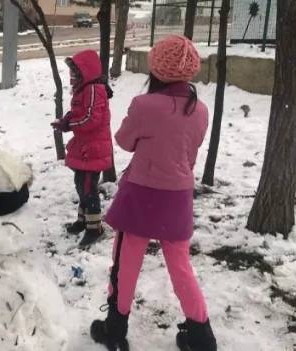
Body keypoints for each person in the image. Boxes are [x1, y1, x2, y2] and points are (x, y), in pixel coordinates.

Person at [89, 35, 216, 351]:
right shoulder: (199, 110)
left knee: (125, 263)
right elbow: (190, 150)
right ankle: (201, 336)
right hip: (178, 197)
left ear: (156, 69)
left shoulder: (144, 105)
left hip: (141, 196)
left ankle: (115, 330)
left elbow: (124, 141)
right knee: (181, 267)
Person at [51, 49, 114, 249]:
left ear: (86, 72)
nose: (73, 76)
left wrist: (69, 126)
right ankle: (83, 220)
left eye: (76, 72)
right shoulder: (85, 89)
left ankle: (95, 228)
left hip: (94, 148)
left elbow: (91, 119)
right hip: (85, 147)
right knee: (81, 185)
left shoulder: (94, 90)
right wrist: (66, 120)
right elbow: (79, 111)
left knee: (87, 187)